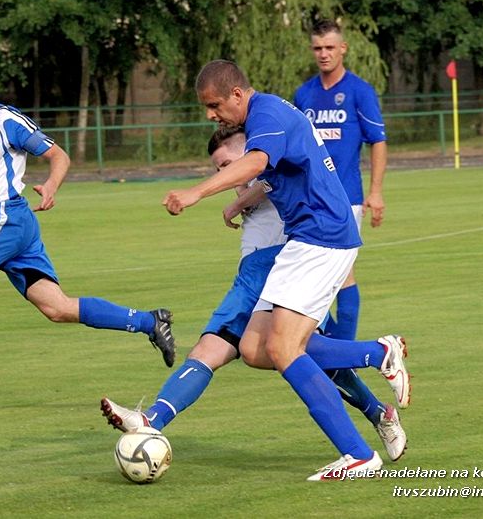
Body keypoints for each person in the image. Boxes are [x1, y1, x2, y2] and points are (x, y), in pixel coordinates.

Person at [161, 60, 410, 481]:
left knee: (283, 349)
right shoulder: (270, 113)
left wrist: (196, 192)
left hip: (322, 237)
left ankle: (358, 455)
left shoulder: (268, 115)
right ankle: (377, 352)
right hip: (305, 239)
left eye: (214, 105)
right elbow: (277, 173)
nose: (210, 114)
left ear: (237, 95)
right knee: (257, 349)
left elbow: (257, 163)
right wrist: (239, 202)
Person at [0, 48, 175, 409]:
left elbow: (58, 156)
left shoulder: (6, 120)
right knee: (57, 308)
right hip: (9, 226)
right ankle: (150, 322)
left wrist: (52, 185)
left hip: (3, 216)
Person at [101, 127, 407, 462]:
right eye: (218, 168)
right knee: (214, 349)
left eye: (227, 163)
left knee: (291, 352)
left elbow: (273, 176)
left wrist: (237, 200)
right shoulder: (255, 178)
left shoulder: (271, 164)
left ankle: (376, 379)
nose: (225, 174)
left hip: (287, 266)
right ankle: (151, 420)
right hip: (251, 276)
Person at [293, 19, 388, 342]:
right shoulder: (304, 94)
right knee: (314, 278)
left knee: (341, 274)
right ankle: (332, 345)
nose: (324, 54)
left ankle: (342, 349)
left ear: (343, 48)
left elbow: (377, 140)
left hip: (346, 198)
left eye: (330, 47)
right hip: (308, 200)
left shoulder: (359, 91)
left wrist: (375, 192)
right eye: (318, 48)